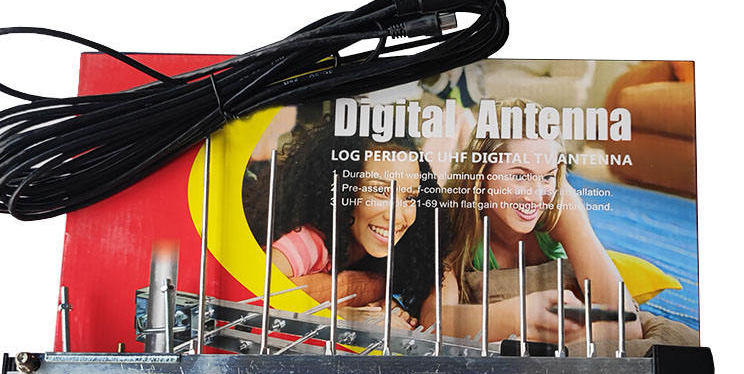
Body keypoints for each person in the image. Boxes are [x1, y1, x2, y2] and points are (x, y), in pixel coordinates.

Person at [430, 98, 643, 352]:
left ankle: (467, 127)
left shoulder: (561, 203)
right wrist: (516, 316)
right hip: (457, 185)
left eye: (547, 176)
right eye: (520, 176)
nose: (535, 196)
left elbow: (630, 327)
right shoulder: (455, 214)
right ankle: (457, 119)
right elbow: (432, 320)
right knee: (430, 176)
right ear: (482, 173)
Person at [243, 122, 446, 328]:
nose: (397, 216)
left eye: (410, 198)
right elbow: (248, 293)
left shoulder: (392, 254)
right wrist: (342, 317)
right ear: (343, 191)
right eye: (380, 192)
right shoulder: (306, 243)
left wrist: (382, 306)